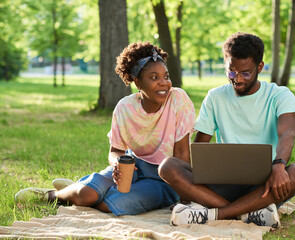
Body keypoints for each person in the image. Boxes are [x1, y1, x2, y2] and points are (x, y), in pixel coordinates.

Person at [15, 42, 195, 216]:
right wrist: (117, 164)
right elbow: (115, 150)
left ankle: (79, 187)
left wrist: (186, 200)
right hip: (132, 166)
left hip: (164, 179)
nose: (164, 83)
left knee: (108, 204)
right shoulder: (125, 108)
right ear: (137, 82)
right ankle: (52, 195)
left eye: (166, 76)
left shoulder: (178, 100)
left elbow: (182, 155)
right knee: (86, 195)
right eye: (154, 77)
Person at [158, 32, 295, 227]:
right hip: (223, 183)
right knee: (168, 167)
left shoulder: (279, 95)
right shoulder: (215, 96)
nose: (237, 79)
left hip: (263, 183)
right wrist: (190, 188)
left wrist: (279, 165)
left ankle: (216, 214)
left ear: (259, 67)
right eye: (231, 72)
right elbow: (200, 147)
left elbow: (287, 133)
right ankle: (249, 213)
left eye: (245, 73)